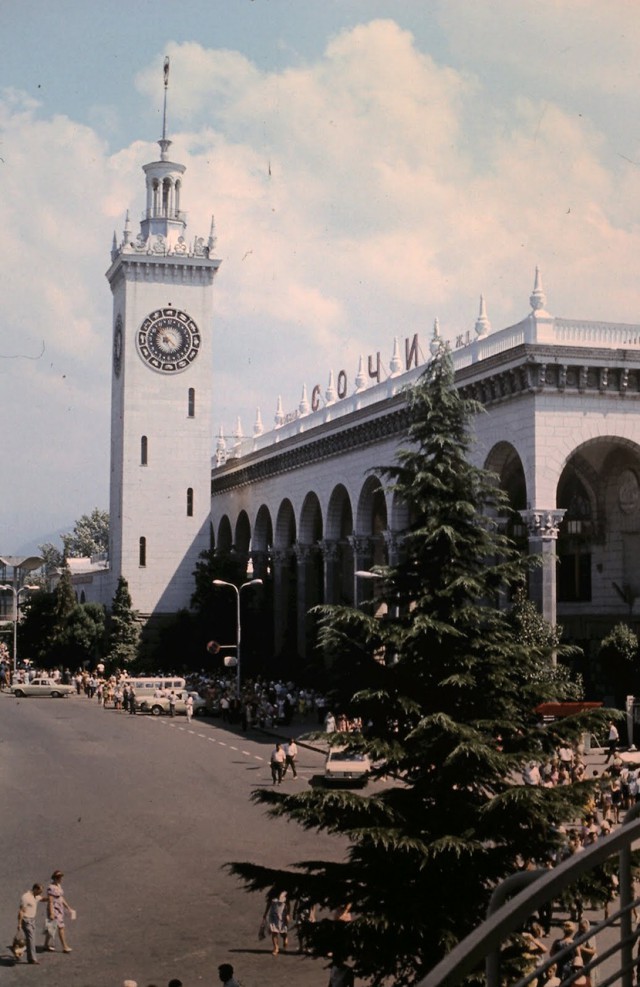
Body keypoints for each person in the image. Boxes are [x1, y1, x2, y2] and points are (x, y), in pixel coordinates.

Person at [44, 869, 75, 953]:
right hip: (54, 910)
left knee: (51, 927)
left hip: (59, 909)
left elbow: (61, 897)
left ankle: (45, 945)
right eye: (59, 877)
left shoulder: (58, 886)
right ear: (55, 878)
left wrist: (68, 907)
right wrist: (51, 913)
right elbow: (50, 901)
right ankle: (65, 946)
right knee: (61, 927)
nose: (61, 879)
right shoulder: (51, 888)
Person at [14, 882, 43, 964]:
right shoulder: (26, 897)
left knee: (30, 939)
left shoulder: (35, 896)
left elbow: (42, 899)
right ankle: (32, 959)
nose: (40, 894)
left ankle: (18, 951)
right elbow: (21, 911)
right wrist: (19, 924)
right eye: (40, 891)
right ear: (35, 889)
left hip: (32, 920)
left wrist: (52, 897)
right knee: (31, 939)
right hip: (26, 920)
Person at [263, 888, 289, 955]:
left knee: (282, 933)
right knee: (274, 932)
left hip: (282, 917)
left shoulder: (285, 893)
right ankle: (276, 948)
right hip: (273, 916)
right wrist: (265, 913)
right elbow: (268, 904)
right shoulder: (272, 894)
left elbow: (288, 905)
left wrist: (287, 914)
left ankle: (285, 937)